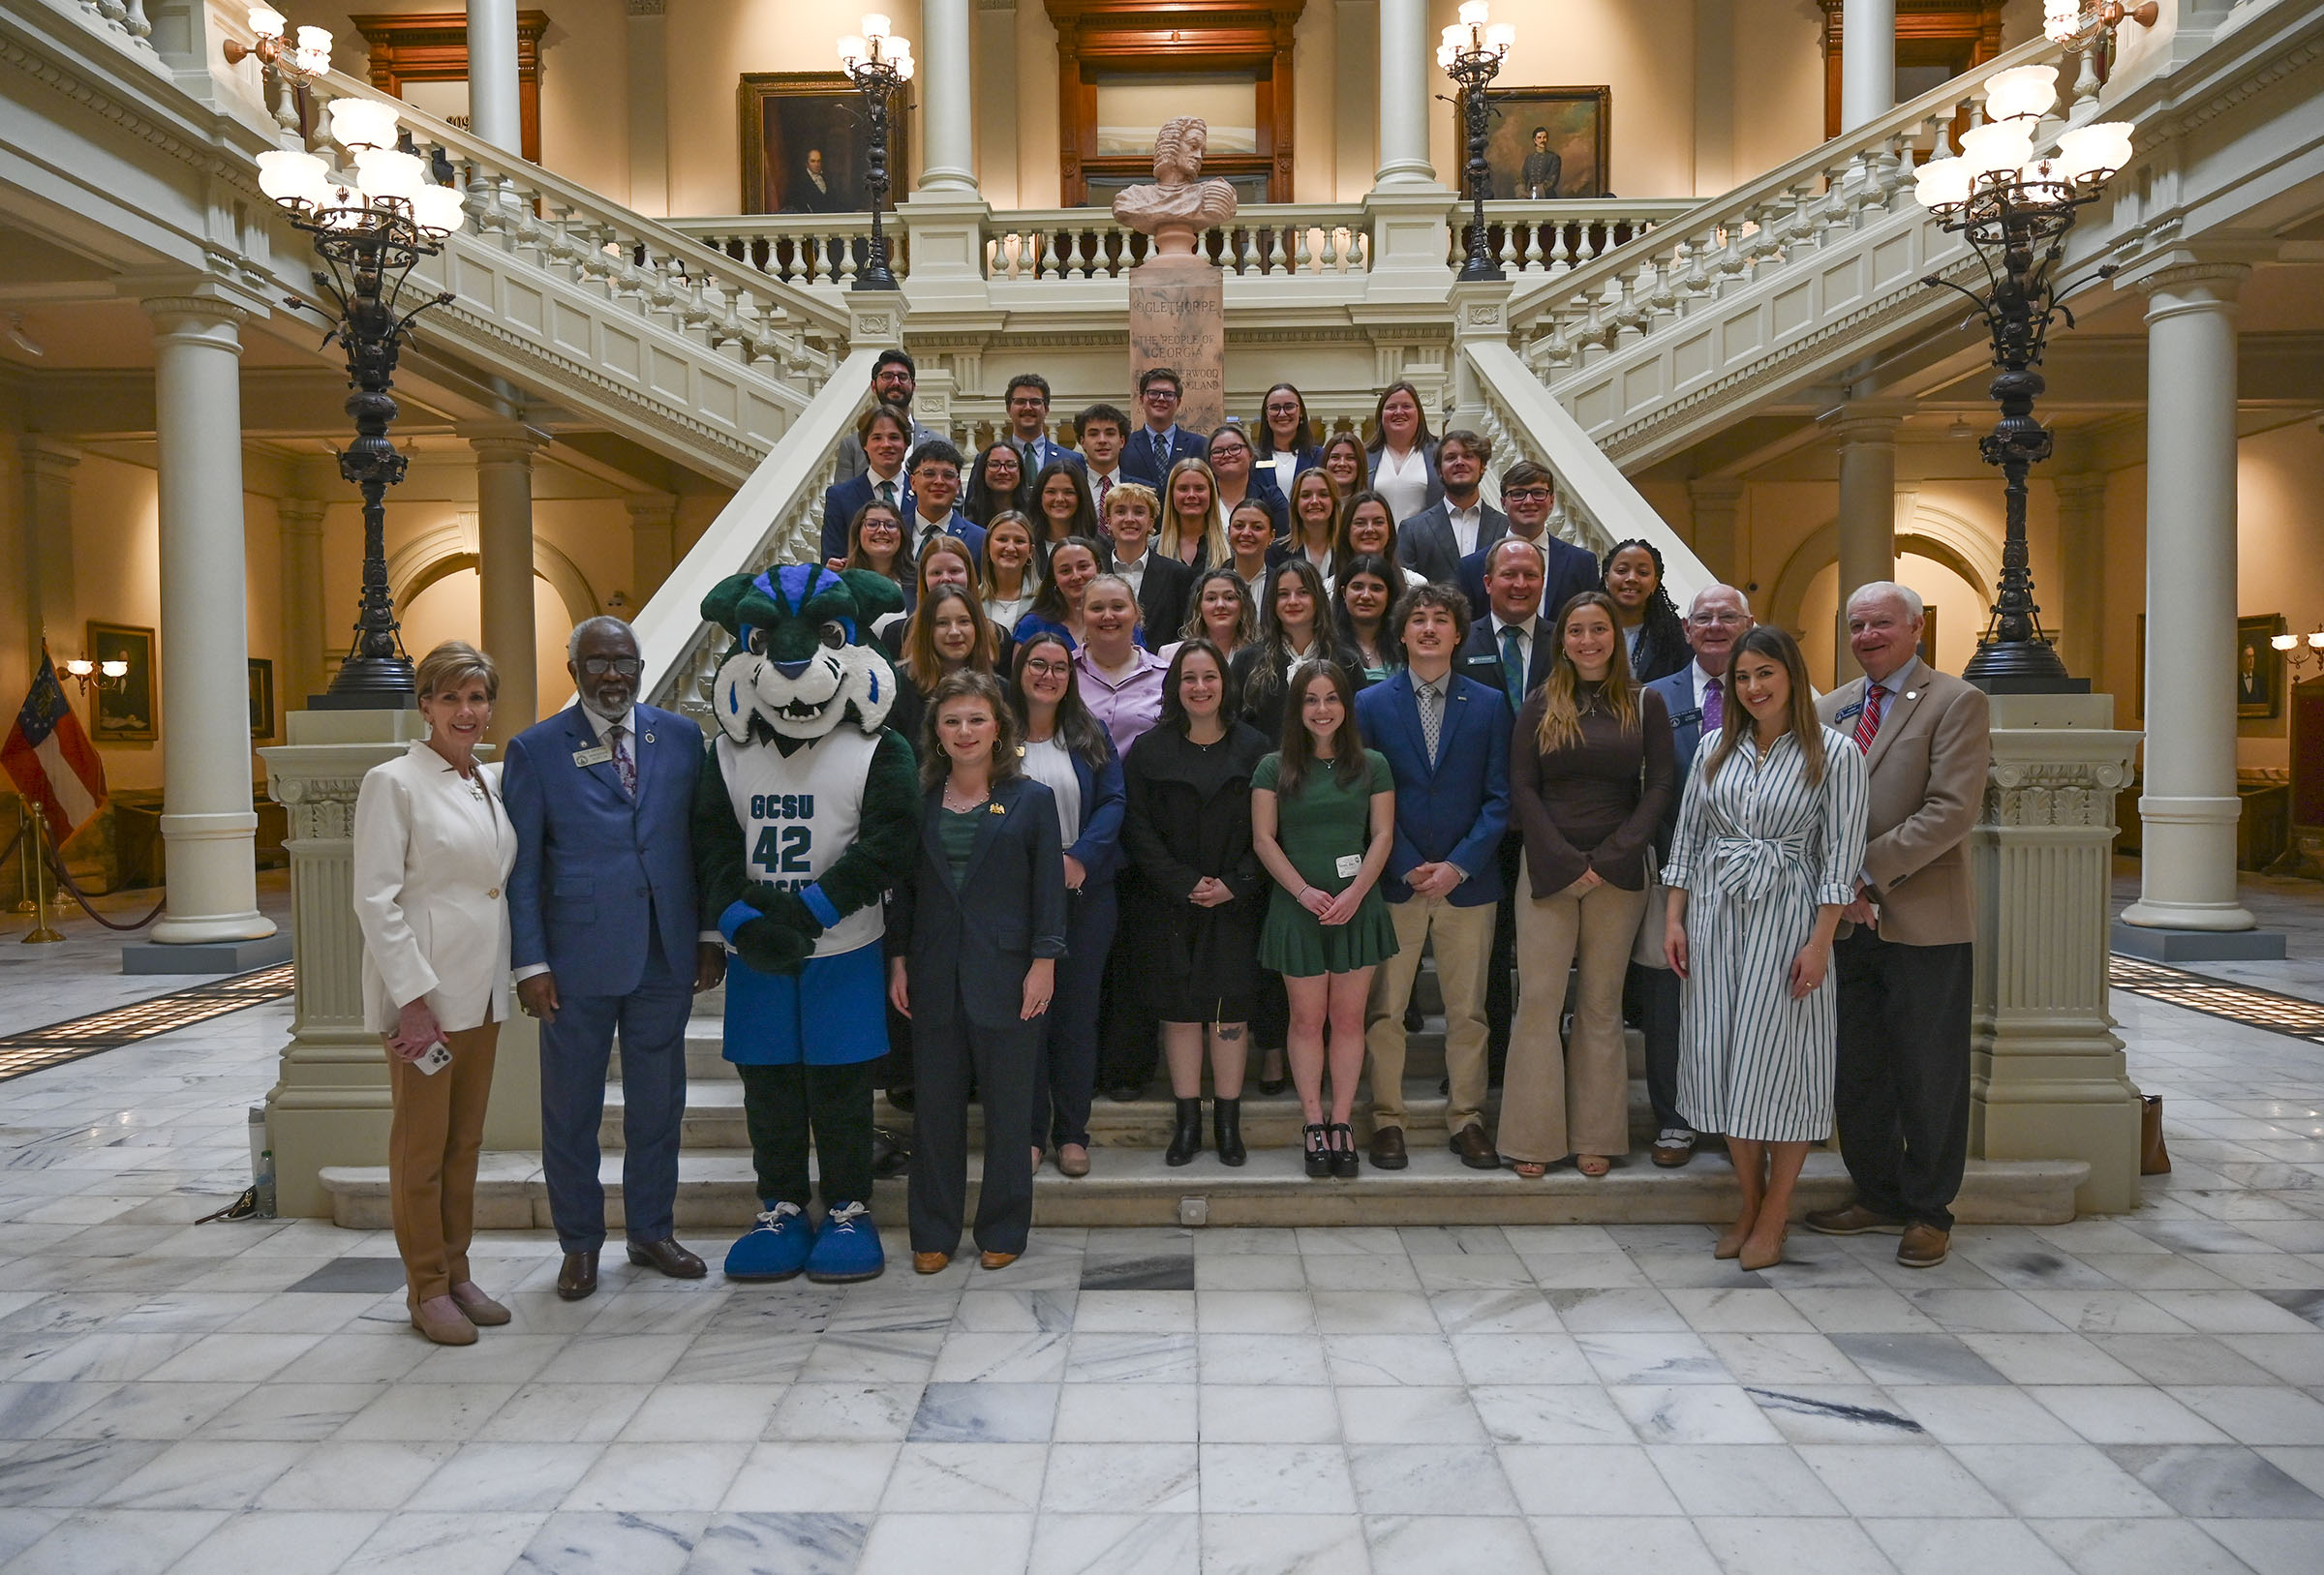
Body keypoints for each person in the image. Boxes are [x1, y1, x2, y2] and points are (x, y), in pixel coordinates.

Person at [505, 619, 717, 1304]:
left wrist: (709, 934)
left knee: (659, 1105)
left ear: (640, 664)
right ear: (573, 670)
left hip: (664, 951)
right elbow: (523, 869)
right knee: (571, 1111)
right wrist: (529, 962)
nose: (612, 674)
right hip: (574, 961)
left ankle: (652, 1230)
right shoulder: (536, 751)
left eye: (623, 660)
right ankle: (580, 1244)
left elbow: (702, 842)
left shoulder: (680, 737)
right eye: (596, 662)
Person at [1667, 625, 1867, 1268]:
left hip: (1790, 920)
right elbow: (1688, 840)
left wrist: (1820, 942)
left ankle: (1777, 1211)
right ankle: (1748, 1201)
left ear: (1791, 677)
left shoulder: (1835, 754)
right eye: (1742, 677)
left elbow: (1840, 858)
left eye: (1765, 674)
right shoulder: (1711, 751)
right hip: (1716, 916)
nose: (1753, 688)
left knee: (1779, 1064)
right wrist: (1675, 918)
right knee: (1725, 1060)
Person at [1807, 582, 1989, 1270]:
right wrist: (1835, 885)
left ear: (1916, 628)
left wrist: (1863, 874)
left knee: (1929, 1070)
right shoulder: (1831, 708)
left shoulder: (1956, 702)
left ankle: (1928, 1211)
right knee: (1858, 1069)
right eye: (1856, 625)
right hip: (1846, 927)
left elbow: (1950, 810)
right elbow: (1811, 806)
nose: (1867, 634)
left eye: (1881, 623)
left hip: (1922, 922)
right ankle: (1876, 1193)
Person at [352, 641, 519, 1346]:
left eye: (477, 697)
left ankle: (458, 1269)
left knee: (465, 1143)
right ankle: (425, 1287)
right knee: (420, 1152)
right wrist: (412, 999)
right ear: (423, 705)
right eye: (450, 698)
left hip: (480, 990)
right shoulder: (392, 782)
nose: (466, 710)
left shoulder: (485, 779)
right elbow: (375, 901)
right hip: (425, 996)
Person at [890, 671, 1067, 1274]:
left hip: (1013, 977)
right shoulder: (918, 801)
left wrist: (1044, 963)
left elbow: (1049, 892)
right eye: (952, 721)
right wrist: (897, 960)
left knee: (1010, 1112)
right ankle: (933, 1231)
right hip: (934, 974)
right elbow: (905, 892)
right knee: (935, 1112)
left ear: (999, 727)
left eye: (977, 719)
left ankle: (1004, 1227)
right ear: (936, 732)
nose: (965, 732)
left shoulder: (1032, 800)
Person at [1501, 591, 1677, 1178]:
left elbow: (1658, 788)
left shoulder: (1643, 702)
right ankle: (1534, 1135)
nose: (1588, 641)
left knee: (1601, 1005)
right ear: (1562, 641)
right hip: (1548, 870)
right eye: (1576, 631)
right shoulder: (1539, 703)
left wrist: (1611, 857)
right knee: (1539, 1003)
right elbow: (1523, 789)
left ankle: (1597, 1133)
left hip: (1620, 872)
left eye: (1599, 629)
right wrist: (1562, 860)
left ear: (1615, 637)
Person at [1356, 585, 1510, 1172]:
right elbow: (1363, 792)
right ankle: (1387, 1120)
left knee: (1468, 1012)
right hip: (1396, 879)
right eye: (1417, 619)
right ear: (1400, 633)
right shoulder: (1370, 704)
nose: (1427, 629)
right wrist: (1404, 860)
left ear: (1457, 633)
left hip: (1467, 883)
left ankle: (1466, 1119)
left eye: (1439, 620)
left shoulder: (1490, 704)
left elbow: (1500, 798)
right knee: (1386, 1009)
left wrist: (1456, 865)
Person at [1122, 640, 1271, 1166]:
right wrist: (1182, 881)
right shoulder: (1149, 750)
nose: (1200, 687)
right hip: (1169, 902)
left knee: (1229, 1011)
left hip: (1238, 901)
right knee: (1181, 1013)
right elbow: (1137, 829)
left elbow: (1273, 830)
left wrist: (1238, 882)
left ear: (1226, 685)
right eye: (1189, 678)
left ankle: (1227, 1124)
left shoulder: (1256, 749)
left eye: (1210, 677)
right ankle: (1187, 1122)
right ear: (1175, 686)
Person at [1253, 659, 1399, 1180]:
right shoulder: (1274, 767)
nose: (1322, 709)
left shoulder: (1373, 764)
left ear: (1346, 705)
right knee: (1307, 1020)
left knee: (1349, 1020)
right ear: (1297, 708)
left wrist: (1356, 894)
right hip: (1299, 908)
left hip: (1357, 907)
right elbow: (1263, 839)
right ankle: (1313, 1121)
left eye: (1331, 698)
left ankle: (1342, 1123)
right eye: (1311, 700)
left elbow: (1381, 836)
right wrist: (1304, 891)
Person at [1633, 584, 1754, 1168]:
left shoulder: (1771, 694)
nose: (1714, 626)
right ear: (1685, 630)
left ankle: (1740, 1120)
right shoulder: (1654, 695)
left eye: (1726, 617)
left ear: (1748, 624)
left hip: (1753, 880)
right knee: (1669, 1002)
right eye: (1703, 618)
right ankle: (1675, 1120)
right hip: (1671, 875)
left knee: (1743, 1001)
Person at [1011, 634, 1125, 1178]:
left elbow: (1113, 801)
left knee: (1077, 1018)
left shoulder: (1087, 732)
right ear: (1021, 669)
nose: (1049, 675)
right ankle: (1030, 1135)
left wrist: (1078, 859)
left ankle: (1072, 1134)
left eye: (1060, 667)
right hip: (1011, 903)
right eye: (1038, 664)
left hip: (1083, 894)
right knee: (1027, 1017)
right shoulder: (996, 732)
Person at [1457, 537, 1562, 1072]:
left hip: (1553, 823)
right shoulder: (1461, 641)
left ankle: (1543, 1064)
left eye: (1530, 575)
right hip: (1484, 825)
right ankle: (1495, 1067)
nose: (1520, 584)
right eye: (1509, 575)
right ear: (1488, 582)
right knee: (1489, 955)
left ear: (1543, 582)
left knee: (1549, 955)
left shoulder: (1567, 641)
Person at [1231, 558, 1362, 743]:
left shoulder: (1346, 661)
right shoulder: (1248, 660)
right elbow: (1233, 725)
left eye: (1303, 593)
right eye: (1283, 594)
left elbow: (1357, 728)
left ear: (1318, 599)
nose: (1292, 601)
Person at [1455, 461, 1600, 627]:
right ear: (1503, 503)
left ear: (1552, 501)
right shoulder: (1472, 566)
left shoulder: (1582, 563)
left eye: (1538, 493)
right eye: (1518, 494)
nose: (1529, 501)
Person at [891, 582, 1000, 747]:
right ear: (927, 631)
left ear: (977, 628)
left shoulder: (1000, 689)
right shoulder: (898, 686)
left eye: (964, 621)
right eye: (942, 623)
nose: (954, 632)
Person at [1073, 574, 1171, 751]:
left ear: (1136, 613)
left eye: (1118, 607)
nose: (1108, 616)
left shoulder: (1166, 676)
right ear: (1082, 616)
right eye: (1097, 608)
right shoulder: (1064, 672)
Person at [1400, 430, 1506, 587]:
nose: (1459, 462)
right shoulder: (1412, 530)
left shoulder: (1506, 526)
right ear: (1439, 471)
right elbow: (1405, 591)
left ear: (1482, 466)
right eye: (1451, 457)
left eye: (1468, 456)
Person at [821, 405, 914, 564]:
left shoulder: (922, 492)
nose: (886, 444)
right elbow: (832, 556)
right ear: (865, 444)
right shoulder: (840, 497)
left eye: (894, 437)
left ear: (906, 443)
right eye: (877, 438)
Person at [1102, 481, 1191, 644]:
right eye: (1120, 512)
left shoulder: (1178, 575)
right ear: (1108, 521)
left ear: (1150, 522)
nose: (1129, 519)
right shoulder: (1095, 572)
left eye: (1138, 512)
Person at [833, 349, 942, 480]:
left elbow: (953, 499)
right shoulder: (851, 445)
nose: (896, 382)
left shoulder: (938, 442)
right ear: (874, 386)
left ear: (913, 386)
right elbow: (842, 497)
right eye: (887, 376)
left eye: (902, 377)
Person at [1604, 537, 1690, 682]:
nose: (1631, 578)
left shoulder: (1675, 636)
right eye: (1621, 570)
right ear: (1607, 579)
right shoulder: (1587, 631)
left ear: (1654, 583)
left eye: (1642, 573)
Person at [1363, 381, 1439, 525]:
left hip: (1424, 544)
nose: (1398, 412)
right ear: (1381, 415)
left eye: (1406, 406)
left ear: (1418, 412)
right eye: (1391, 407)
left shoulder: (1439, 453)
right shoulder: (1365, 456)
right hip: (1376, 541)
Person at [903, 440, 986, 565]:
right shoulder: (895, 531)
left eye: (948, 475)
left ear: (958, 485)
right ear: (913, 482)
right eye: (929, 473)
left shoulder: (979, 539)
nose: (939, 481)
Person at [1124, 366, 1208, 484]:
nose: (1161, 399)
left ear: (1178, 402)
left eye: (1168, 394)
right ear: (1142, 399)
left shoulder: (1200, 446)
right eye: (1153, 393)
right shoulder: (1125, 446)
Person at [1014, 537, 1103, 650]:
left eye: (1083, 567)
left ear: (1098, 569)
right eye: (1065, 571)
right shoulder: (1032, 626)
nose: (1076, 576)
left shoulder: (1117, 619)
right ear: (1054, 578)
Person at [1206, 422, 1287, 537]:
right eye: (1218, 451)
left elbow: (1284, 542)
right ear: (1209, 461)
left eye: (1235, 448)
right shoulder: (1202, 499)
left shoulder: (1271, 497)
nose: (1227, 455)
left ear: (1251, 454)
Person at [1331, 553, 1403, 683]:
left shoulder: (1404, 644)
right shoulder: (1327, 644)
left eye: (1376, 588)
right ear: (1343, 593)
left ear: (1389, 595)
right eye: (1357, 587)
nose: (1365, 596)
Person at [1334, 491, 1425, 591]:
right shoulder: (1327, 591)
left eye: (1378, 522)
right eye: (1360, 523)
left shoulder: (1416, 587)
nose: (1369, 529)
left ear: (1389, 530)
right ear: (1347, 530)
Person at [1157, 457, 1228, 569]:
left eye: (1199, 489)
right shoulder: (1152, 547)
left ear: (1211, 493)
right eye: (1183, 489)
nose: (1191, 495)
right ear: (1172, 494)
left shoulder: (1231, 548)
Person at [1254, 382, 1322, 498]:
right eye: (1275, 408)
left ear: (1301, 412)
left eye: (1289, 407)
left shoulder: (1320, 456)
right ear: (1266, 415)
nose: (1282, 414)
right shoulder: (1253, 459)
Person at [979, 511, 1042, 634]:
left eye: (1019, 541)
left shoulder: (1045, 599)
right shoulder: (973, 599)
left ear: (1031, 551)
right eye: (1002, 539)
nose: (1010, 548)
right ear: (987, 547)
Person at [1006, 373, 1082, 473]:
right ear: (1008, 409)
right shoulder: (988, 460)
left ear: (1046, 409)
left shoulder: (1072, 460)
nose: (1028, 407)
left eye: (1035, 402)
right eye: (1020, 401)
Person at [843, 499, 911, 609]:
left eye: (890, 524)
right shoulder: (841, 583)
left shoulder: (920, 579)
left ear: (902, 534)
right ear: (857, 534)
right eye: (872, 524)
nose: (882, 530)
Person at [1182, 566, 1258, 666]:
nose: (1220, 605)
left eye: (1229, 598)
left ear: (1243, 605)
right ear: (1198, 606)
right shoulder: (1171, 654)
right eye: (1211, 598)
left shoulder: (1261, 656)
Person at [1032, 458, 1102, 556]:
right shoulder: (1026, 545)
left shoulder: (1101, 546)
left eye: (1069, 492)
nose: (1059, 499)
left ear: (1081, 497)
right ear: (1039, 496)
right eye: (1051, 492)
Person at [1279, 469, 1340, 577]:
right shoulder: (1277, 551)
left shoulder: (1349, 549)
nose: (1315, 501)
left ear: (1334, 502)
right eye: (1306, 495)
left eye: (1323, 494)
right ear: (1295, 504)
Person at [1078, 402, 1133, 516]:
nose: (1102, 440)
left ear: (1122, 441)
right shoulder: (1073, 488)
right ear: (1083, 442)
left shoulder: (1143, 489)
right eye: (1093, 434)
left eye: (1110, 433)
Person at [963, 439, 1031, 527]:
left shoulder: (1036, 523)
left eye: (1010, 465)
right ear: (983, 471)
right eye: (994, 465)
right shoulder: (968, 527)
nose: (1003, 471)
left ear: (1021, 472)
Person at [1222, 500, 1277, 604]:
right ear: (1229, 532)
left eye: (1257, 527)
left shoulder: (1281, 585)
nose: (1246, 533)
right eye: (1239, 526)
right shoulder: (1209, 584)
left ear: (1271, 536)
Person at [1320, 432, 1369, 499]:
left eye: (1350, 458)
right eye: (1335, 457)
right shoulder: (1314, 504)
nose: (1342, 463)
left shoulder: (1371, 505)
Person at [1521, 126, 1562, 198]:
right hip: (1530, 197)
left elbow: (1551, 181)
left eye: (1544, 137)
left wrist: (1533, 193)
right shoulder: (1529, 158)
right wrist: (1521, 192)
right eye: (1539, 138)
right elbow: (1522, 178)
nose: (1542, 140)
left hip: (1547, 196)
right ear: (1534, 140)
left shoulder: (1554, 158)